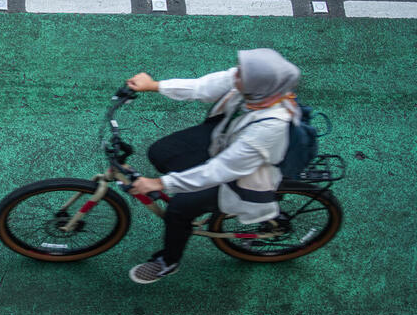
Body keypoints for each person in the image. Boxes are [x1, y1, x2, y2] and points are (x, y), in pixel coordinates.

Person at [125, 48, 301, 284]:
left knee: (178, 210)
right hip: (226, 138)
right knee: (160, 153)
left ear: (257, 85)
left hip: (242, 174)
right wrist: (154, 85)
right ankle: (192, 192)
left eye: (241, 74)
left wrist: (159, 183)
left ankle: (168, 261)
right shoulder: (255, 89)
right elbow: (203, 87)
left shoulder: (270, 126)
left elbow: (222, 169)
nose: (234, 74)